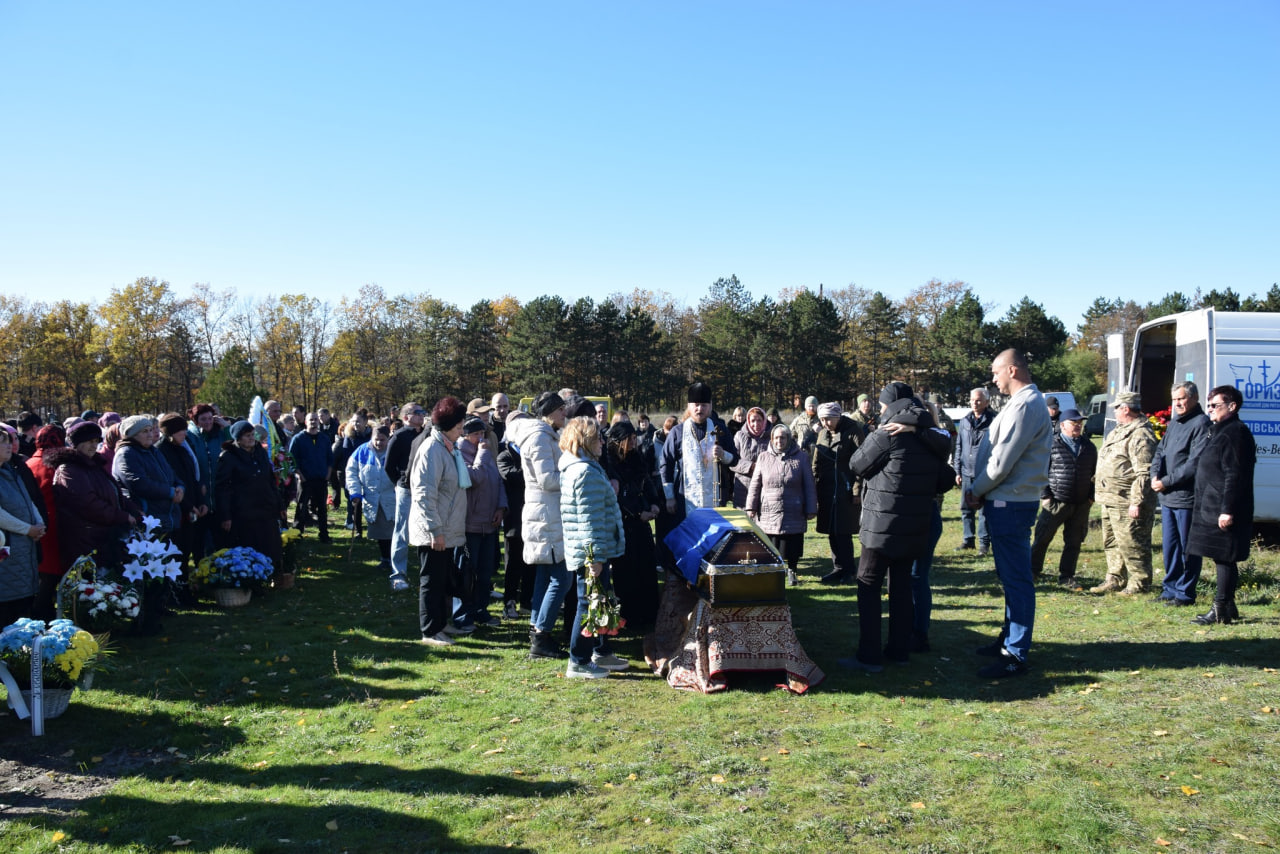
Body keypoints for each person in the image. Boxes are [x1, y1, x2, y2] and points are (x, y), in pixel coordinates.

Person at [841, 383, 951, 672]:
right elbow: (944, 478)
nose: (879, 409)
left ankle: (869, 655)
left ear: (890, 405)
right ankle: (899, 651)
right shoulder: (930, 436)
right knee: (901, 587)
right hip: (915, 526)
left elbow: (857, 464)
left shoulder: (887, 433)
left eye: (881, 405)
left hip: (882, 525)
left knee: (868, 585)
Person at [965, 349, 1052, 678]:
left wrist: (977, 489)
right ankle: (1008, 640)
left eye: (996, 372)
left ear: (1012, 370)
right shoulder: (1020, 403)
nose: (993, 379)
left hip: (1011, 502)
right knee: (1010, 576)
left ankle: (1015, 653)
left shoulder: (1026, 404)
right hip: (1006, 500)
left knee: (1016, 579)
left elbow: (1002, 461)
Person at [558, 416, 627, 678]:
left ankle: (600, 651)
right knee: (588, 603)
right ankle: (579, 660)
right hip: (590, 551)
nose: (603, 442)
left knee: (601, 600)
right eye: (598, 437)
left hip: (590, 548)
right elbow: (590, 520)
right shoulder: (585, 472)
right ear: (586, 441)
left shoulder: (582, 467)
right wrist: (594, 558)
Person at [505, 392, 570, 658]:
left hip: (547, 513)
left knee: (545, 576)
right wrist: (574, 473)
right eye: (561, 409)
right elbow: (547, 480)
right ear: (549, 412)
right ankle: (541, 635)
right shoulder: (539, 438)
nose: (565, 414)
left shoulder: (545, 435)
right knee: (561, 577)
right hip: (546, 515)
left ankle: (538, 631)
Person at [1187, 385, 1256, 625]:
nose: (1210, 409)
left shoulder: (1236, 433)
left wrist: (1227, 510)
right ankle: (1229, 606)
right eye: (1208, 405)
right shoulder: (1219, 430)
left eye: (1215, 405)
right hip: (1211, 505)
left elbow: (1235, 475)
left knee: (1224, 557)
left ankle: (1219, 609)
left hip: (1224, 508)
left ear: (1232, 406)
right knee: (1222, 557)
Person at [410, 397, 471, 647]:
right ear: (447, 426)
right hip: (433, 531)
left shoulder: (448, 447)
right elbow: (424, 494)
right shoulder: (432, 450)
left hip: (445, 529)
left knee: (443, 580)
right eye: (459, 426)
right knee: (432, 581)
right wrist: (435, 530)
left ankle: (441, 623)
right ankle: (430, 630)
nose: (462, 431)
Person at [1089, 391, 1157, 595]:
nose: (1115, 412)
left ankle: (1139, 583)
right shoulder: (1120, 430)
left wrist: (1137, 502)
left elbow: (1144, 472)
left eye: (1117, 408)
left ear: (1126, 409)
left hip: (1126, 500)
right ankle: (1115, 578)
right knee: (1112, 542)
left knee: (1131, 543)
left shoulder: (1140, 434)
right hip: (1110, 498)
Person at [54, 421, 139, 578]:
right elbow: (87, 504)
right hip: (84, 539)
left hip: (101, 537)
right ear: (77, 443)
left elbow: (113, 493)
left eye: (96, 441)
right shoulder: (69, 469)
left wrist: (133, 510)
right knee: (89, 585)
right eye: (88, 442)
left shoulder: (94, 465)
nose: (94, 446)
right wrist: (121, 516)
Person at [1151, 382, 1211, 606]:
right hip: (1167, 497)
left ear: (1194, 398)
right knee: (1170, 548)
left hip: (1186, 498)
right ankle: (1170, 589)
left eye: (1181, 398)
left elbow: (1194, 464)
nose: (1177, 403)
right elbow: (1160, 451)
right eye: (1174, 399)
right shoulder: (1174, 422)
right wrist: (1154, 475)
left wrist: (1165, 482)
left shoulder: (1201, 423)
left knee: (1188, 548)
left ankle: (1185, 593)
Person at [1030, 408, 1097, 589]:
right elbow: (1040, 471)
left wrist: (1090, 498)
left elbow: (1095, 474)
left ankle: (1067, 576)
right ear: (1062, 425)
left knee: (1074, 542)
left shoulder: (1089, 447)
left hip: (1081, 503)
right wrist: (1046, 496)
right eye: (1074, 423)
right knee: (1042, 538)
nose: (1078, 426)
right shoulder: (1051, 445)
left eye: (1080, 423)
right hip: (1056, 502)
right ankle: (1032, 571)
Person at [746, 423, 818, 587]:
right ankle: (772, 572)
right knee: (771, 543)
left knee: (793, 543)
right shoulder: (763, 457)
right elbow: (755, 484)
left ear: (789, 439)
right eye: (776, 438)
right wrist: (751, 507)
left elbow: (809, 485)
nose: (779, 441)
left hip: (793, 509)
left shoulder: (801, 457)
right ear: (772, 439)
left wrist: (811, 508)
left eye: (783, 438)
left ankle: (792, 570)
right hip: (768, 509)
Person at [606, 420, 661, 630]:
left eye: (633, 438)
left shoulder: (636, 458)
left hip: (641, 523)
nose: (633, 443)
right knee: (626, 571)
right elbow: (617, 498)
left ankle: (648, 614)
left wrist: (654, 503)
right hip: (623, 523)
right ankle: (629, 616)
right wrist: (637, 514)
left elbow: (646, 482)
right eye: (628, 439)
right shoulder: (609, 463)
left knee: (646, 567)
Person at [214, 421, 284, 580]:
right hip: (244, 512)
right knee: (250, 548)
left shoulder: (260, 452)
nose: (251, 438)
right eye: (247, 436)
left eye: (252, 435)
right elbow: (222, 488)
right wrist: (225, 515)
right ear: (238, 439)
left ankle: (272, 575)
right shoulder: (229, 457)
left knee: (270, 545)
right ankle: (251, 581)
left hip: (265, 507)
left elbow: (270, 480)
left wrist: (279, 504)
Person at [660, 382, 736, 521]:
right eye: (696, 405)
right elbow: (666, 464)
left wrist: (723, 455)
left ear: (710, 406)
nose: (700, 409)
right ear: (689, 406)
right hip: (685, 499)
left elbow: (735, 459)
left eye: (704, 405)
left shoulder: (720, 430)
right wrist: (669, 497)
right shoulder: (677, 432)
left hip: (715, 499)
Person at [457, 416, 507, 629]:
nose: (481, 438)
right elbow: (473, 479)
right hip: (470, 524)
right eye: (476, 434)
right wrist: (483, 453)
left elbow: (498, 481)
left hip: (489, 524)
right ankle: (464, 614)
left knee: (486, 573)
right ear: (466, 435)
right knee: (468, 571)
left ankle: (481, 610)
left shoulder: (485, 454)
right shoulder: (460, 454)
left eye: (482, 434)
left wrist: (501, 507)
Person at [812, 402, 866, 585]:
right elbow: (816, 462)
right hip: (826, 489)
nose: (825, 423)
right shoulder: (822, 433)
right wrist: (815, 485)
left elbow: (862, 463)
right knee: (831, 531)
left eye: (828, 419)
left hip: (846, 489)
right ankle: (838, 568)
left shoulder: (854, 431)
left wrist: (857, 490)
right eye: (822, 419)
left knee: (843, 531)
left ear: (838, 416)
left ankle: (849, 570)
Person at [0, 428, 48, 625]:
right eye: (2, 442)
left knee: (22, 606)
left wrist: (38, 523)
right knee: (7, 609)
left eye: (8, 441)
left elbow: (28, 500)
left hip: (23, 548)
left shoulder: (12, 470)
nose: (9, 445)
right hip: (7, 550)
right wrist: (27, 529)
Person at [113, 415, 184, 536]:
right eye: (145, 431)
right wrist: (171, 492)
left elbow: (171, 474)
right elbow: (139, 484)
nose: (150, 434)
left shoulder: (153, 451)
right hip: (148, 520)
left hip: (167, 518)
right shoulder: (126, 454)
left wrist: (180, 487)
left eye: (150, 430)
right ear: (132, 435)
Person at [384, 402, 427, 592]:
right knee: (402, 530)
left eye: (423, 412)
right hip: (406, 488)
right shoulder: (399, 437)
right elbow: (388, 466)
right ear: (406, 417)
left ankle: (425, 570)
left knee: (426, 528)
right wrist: (399, 483)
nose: (422, 415)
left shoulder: (426, 434)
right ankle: (398, 574)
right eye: (417, 412)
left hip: (424, 487)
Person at [27, 425, 67, 618]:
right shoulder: (56, 464)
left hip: (36, 525)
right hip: (55, 525)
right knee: (52, 576)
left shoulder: (29, 463)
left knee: (42, 575)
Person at [346, 424, 396, 570]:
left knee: (391, 530)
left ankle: (393, 559)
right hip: (372, 498)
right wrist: (355, 492)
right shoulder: (361, 451)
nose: (379, 443)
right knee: (380, 531)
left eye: (383, 440)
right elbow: (351, 472)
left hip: (391, 497)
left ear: (388, 439)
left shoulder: (394, 451)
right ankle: (385, 558)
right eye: (376, 439)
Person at [954, 387, 994, 556]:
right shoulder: (965, 421)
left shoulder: (994, 420)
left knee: (984, 510)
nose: (974, 403)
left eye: (978, 400)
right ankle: (968, 540)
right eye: (972, 400)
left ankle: (984, 543)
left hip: (985, 473)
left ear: (986, 402)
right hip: (966, 472)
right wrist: (957, 470)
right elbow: (959, 446)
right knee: (966, 509)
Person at [289, 413, 335, 542]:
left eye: (315, 419)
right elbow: (292, 459)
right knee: (301, 507)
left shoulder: (324, 438)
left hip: (321, 479)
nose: (313, 422)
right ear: (306, 422)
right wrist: (300, 475)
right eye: (311, 420)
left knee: (322, 508)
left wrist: (328, 474)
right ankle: (297, 533)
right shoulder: (298, 439)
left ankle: (324, 534)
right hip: (305, 479)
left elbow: (330, 458)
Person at [729, 406, 770, 510]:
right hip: (743, 488)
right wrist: (751, 466)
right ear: (748, 421)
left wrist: (762, 468)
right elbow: (732, 460)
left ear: (764, 420)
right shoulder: (739, 436)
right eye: (753, 421)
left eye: (759, 420)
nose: (756, 424)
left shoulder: (771, 437)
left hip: (765, 486)